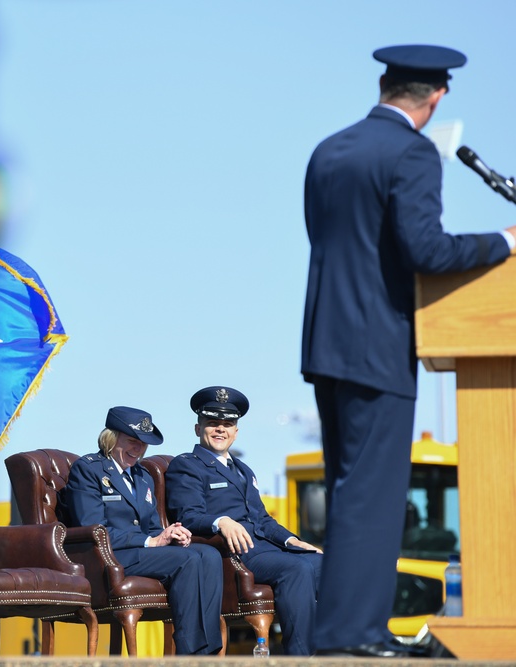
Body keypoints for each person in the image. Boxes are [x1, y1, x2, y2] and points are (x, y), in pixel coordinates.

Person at [301, 45, 516, 658]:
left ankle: (341, 633)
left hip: (326, 342)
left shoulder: (329, 150)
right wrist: (505, 240)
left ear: (385, 84)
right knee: (373, 494)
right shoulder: (413, 152)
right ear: (437, 97)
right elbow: (426, 251)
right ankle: (354, 636)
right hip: (377, 345)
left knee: (351, 492)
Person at [165, 386, 322, 656]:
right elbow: (187, 515)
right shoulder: (187, 465)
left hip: (264, 546)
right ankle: (300, 657)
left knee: (322, 562)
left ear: (235, 432)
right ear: (197, 428)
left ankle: (330, 650)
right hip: (234, 550)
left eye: (227, 424)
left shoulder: (243, 470)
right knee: (295, 569)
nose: (220, 430)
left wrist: (292, 540)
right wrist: (220, 521)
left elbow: (261, 518)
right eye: (212, 423)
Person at [59, 406, 224, 655]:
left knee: (208, 556)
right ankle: (190, 653)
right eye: (132, 442)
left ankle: (210, 651)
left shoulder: (143, 476)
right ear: (111, 439)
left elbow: (152, 528)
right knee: (188, 560)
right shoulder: (89, 469)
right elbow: (92, 529)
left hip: (142, 553)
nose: (138, 450)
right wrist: (151, 541)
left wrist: (172, 534)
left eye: (143, 444)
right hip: (110, 556)